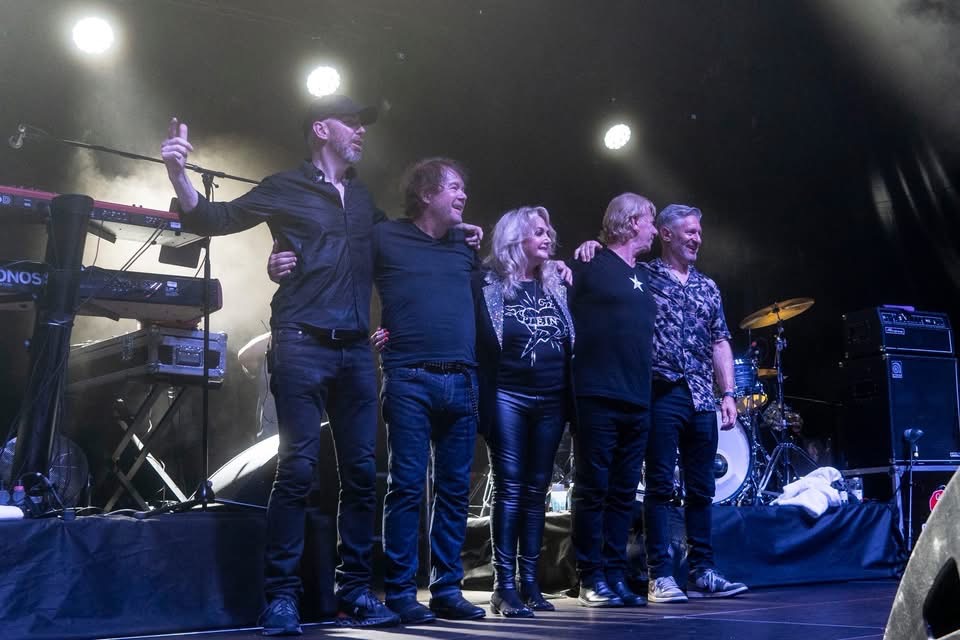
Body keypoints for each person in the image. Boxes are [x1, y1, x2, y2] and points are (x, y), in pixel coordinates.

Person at [161, 94, 400, 636]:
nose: (361, 130)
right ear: (321, 129)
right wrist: (178, 173)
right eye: (352, 122)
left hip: (355, 349)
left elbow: (396, 251)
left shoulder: (364, 197)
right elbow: (216, 218)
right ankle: (282, 599)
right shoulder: (284, 187)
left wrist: (453, 235)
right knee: (296, 471)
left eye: (363, 124)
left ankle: (356, 591)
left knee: (362, 474)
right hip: (300, 341)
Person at [271, 157, 486, 625]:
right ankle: (402, 592)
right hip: (409, 376)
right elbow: (337, 262)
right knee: (406, 487)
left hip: (463, 378)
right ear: (426, 193)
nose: (463, 195)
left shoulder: (463, 243)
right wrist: (281, 254)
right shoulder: (385, 236)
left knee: (454, 490)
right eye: (453, 186)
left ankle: (448, 589)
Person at [576, 204, 748, 602]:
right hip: (659, 392)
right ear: (666, 234)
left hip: (701, 396)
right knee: (660, 486)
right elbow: (611, 265)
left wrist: (728, 393)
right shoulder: (643, 275)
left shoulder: (707, 286)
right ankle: (660, 575)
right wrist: (590, 247)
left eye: (699, 232)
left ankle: (703, 570)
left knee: (702, 487)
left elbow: (720, 340)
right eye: (690, 232)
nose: (697, 239)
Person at [474, 206, 575, 617]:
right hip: (508, 395)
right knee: (510, 487)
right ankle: (503, 586)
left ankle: (530, 583)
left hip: (551, 397)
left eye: (549, 230)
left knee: (537, 489)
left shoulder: (557, 284)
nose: (548, 237)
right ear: (515, 239)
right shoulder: (488, 283)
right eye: (538, 231)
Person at [567, 193, 658, 608]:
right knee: (594, 488)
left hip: (637, 395)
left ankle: (616, 574)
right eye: (650, 221)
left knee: (624, 491)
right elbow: (557, 297)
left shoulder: (643, 274)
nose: (654, 230)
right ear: (631, 221)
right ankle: (590, 577)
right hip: (597, 393)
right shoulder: (590, 263)